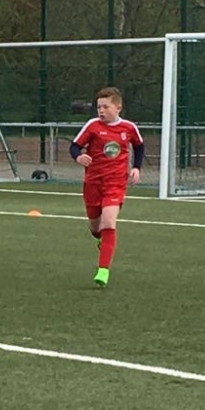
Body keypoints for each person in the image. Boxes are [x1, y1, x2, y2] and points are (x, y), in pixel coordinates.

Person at [70, 86, 144, 287]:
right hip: (93, 183)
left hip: (115, 183)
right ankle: (100, 239)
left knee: (109, 223)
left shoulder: (128, 128)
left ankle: (103, 270)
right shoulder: (92, 126)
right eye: (98, 107)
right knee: (95, 227)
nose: (101, 111)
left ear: (118, 107)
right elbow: (74, 146)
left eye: (105, 107)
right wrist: (79, 157)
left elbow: (139, 146)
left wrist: (136, 168)